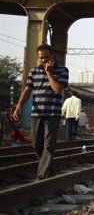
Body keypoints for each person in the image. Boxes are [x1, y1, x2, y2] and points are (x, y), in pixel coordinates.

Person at [12, 44, 69, 180]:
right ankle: (52, 169)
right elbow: (27, 90)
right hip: (36, 113)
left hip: (52, 114)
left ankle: (41, 177)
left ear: (52, 55)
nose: (43, 60)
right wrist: (19, 105)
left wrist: (49, 72)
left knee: (48, 146)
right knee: (37, 146)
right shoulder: (34, 71)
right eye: (40, 58)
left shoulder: (62, 70)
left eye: (46, 57)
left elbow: (57, 89)